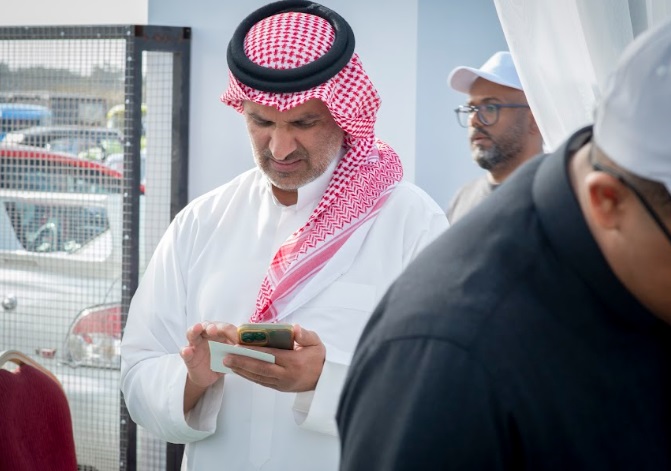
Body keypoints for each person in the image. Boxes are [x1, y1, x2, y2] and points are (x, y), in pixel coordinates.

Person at [338, 11, 671, 470]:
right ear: (608, 202)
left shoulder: (662, 243)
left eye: (491, 107)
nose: (476, 121)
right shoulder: (448, 352)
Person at [120, 1, 448, 470]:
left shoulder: (410, 223)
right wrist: (193, 378)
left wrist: (325, 382)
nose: (279, 147)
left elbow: (446, 392)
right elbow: (138, 373)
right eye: (262, 122)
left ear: (344, 114)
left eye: (303, 123)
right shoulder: (202, 222)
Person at [446, 51, 543, 223]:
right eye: (471, 109)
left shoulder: (556, 195)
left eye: (490, 108)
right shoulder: (462, 199)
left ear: (533, 119)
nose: (474, 120)